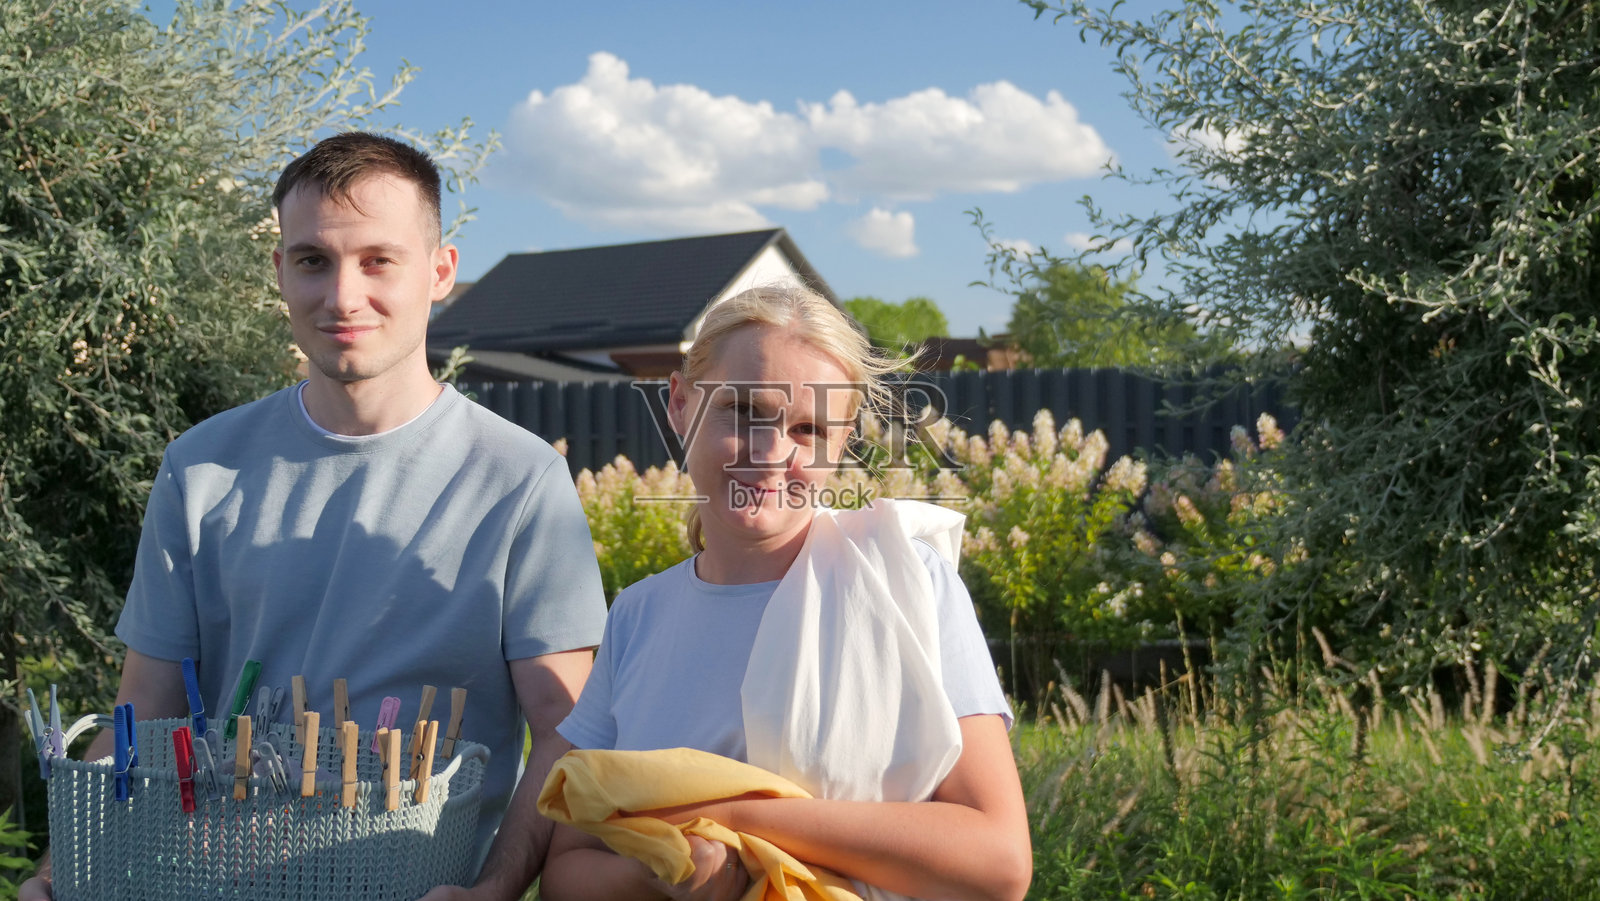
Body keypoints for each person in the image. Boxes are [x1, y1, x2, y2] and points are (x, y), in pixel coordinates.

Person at [20, 132, 607, 901]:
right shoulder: (200, 468)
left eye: (377, 260)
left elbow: (567, 730)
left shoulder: (520, 481)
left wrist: (494, 888)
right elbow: (145, 709)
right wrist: (57, 874)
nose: (341, 295)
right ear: (280, 273)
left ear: (440, 272)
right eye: (312, 261)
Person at [539, 285, 1032, 901]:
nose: (772, 455)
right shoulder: (638, 615)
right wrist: (662, 872)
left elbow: (999, 862)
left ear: (844, 438)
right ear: (680, 404)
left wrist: (737, 819)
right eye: (743, 413)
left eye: (808, 428)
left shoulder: (910, 584)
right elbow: (565, 873)